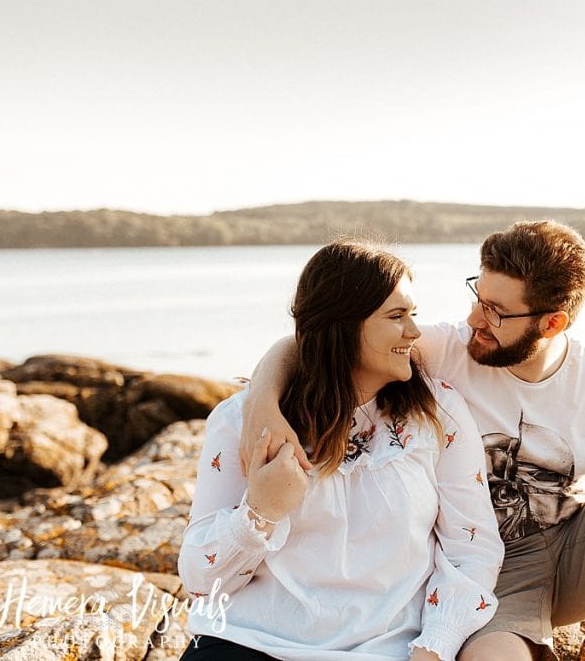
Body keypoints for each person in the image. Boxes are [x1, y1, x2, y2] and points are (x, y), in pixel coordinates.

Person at [239, 222, 585, 661]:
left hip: (578, 550)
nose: (473, 320)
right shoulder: (444, 350)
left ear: (553, 322)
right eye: (477, 298)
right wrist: (262, 404)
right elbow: (312, 340)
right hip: (488, 566)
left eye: (496, 313)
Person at [178, 239, 503, 661]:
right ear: (344, 325)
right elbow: (200, 579)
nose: (415, 332)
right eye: (396, 316)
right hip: (247, 643)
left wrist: (435, 646)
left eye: (414, 314)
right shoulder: (244, 420)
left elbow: (470, 549)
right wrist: (260, 512)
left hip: (385, 650)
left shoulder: (439, 413)